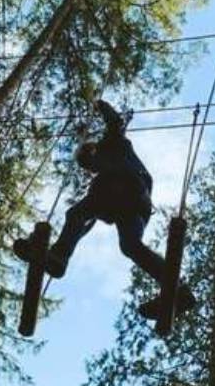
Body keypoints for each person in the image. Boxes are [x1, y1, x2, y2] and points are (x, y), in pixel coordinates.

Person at [14, 99, 195, 320]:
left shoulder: (113, 145)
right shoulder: (99, 179)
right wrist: (55, 247)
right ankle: (177, 290)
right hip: (130, 206)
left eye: (88, 160)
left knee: (80, 213)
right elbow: (83, 224)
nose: (90, 167)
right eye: (87, 166)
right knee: (129, 246)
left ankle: (60, 256)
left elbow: (115, 123)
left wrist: (100, 105)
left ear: (94, 150)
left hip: (128, 187)